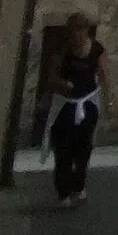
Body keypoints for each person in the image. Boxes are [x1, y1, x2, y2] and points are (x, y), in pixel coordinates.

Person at [41, 12, 108, 207]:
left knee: (83, 148)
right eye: (73, 32)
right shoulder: (63, 51)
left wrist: (108, 99)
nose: (77, 36)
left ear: (86, 31)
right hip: (65, 106)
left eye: (80, 31)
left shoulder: (97, 50)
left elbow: (103, 74)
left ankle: (78, 185)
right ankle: (63, 191)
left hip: (87, 105)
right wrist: (62, 84)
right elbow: (51, 78)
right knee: (63, 150)